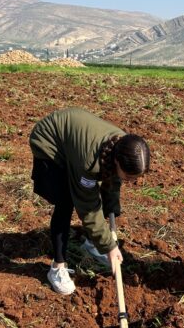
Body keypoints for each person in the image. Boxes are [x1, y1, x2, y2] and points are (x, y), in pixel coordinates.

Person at [29, 107, 150, 294]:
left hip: (73, 139)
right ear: (117, 162)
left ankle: (91, 242)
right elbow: (88, 208)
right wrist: (109, 246)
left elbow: (113, 182)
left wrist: (112, 210)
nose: (133, 182)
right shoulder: (89, 163)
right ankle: (57, 268)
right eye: (130, 177)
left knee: (91, 201)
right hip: (50, 141)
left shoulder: (125, 146)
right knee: (66, 201)